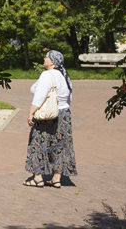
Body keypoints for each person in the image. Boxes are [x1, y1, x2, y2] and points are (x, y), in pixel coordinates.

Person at [24, 49, 77, 188]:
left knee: (37, 143)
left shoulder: (47, 75)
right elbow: (69, 97)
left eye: (46, 57)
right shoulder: (65, 76)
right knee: (60, 145)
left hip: (48, 115)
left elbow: (40, 96)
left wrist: (31, 113)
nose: (44, 58)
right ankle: (56, 178)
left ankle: (37, 177)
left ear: (52, 61)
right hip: (64, 114)